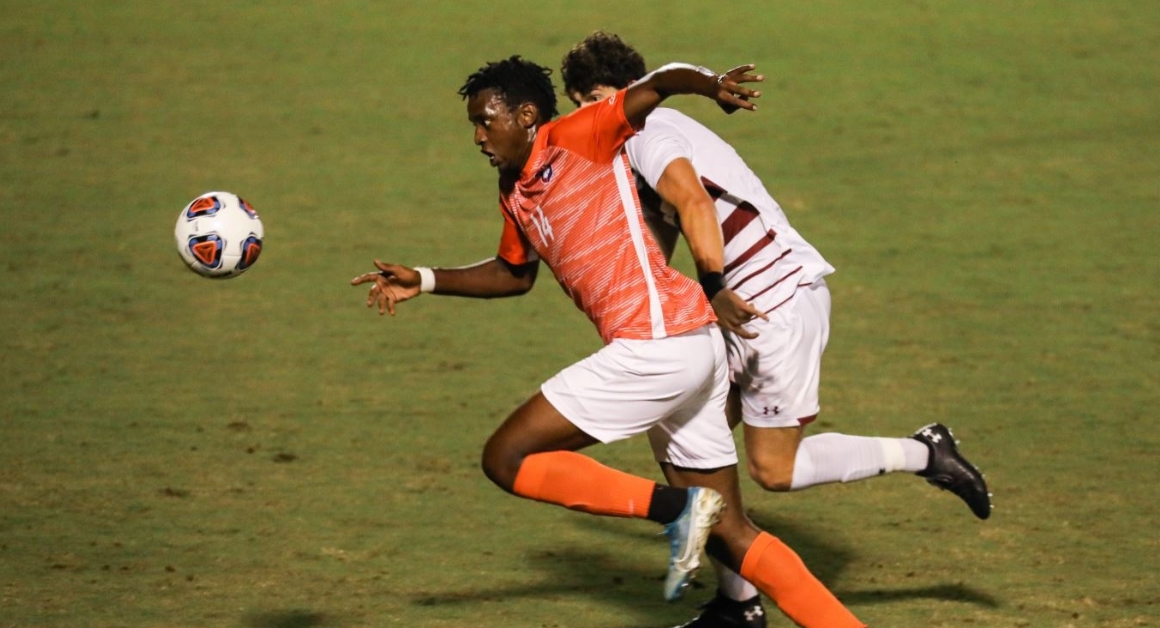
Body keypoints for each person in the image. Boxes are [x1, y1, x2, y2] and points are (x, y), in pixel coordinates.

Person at [353, 56, 866, 628]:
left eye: (485, 121)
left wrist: (712, 85)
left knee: (506, 457)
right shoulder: (513, 188)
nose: (477, 137)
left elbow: (660, 83)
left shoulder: (582, 132)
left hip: (657, 345)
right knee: (732, 535)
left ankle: (679, 508)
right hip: (692, 346)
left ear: (526, 116)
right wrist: (424, 279)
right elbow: (513, 274)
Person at [561, 31, 993, 627]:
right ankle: (738, 605)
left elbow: (693, 205)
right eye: (580, 103)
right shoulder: (634, 145)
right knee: (686, 436)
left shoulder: (647, 135)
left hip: (772, 305)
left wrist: (711, 287)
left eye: (595, 99)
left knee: (773, 470)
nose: (589, 114)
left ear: (623, 94)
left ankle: (926, 453)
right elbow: (657, 236)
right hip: (742, 306)